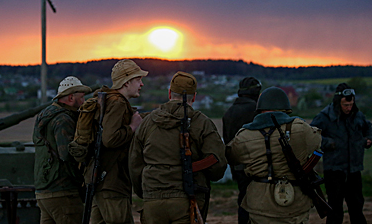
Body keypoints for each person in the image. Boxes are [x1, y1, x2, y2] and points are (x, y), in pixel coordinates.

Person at [129, 71, 227, 224]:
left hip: (153, 200)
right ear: (194, 97)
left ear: (169, 93)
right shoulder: (202, 123)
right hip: (187, 200)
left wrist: (144, 192)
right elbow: (217, 166)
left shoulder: (148, 122)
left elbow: (135, 163)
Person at [226, 86, 322, 224]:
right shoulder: (301, 129)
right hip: (294, 202)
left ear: (259, 109)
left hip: (260, 204)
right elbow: (317, 142)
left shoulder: (244, 135)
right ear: (285, 109)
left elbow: (231, 157)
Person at [87, 59, 148, 224]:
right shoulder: (118, 103)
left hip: (102, 180)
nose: (141, 84)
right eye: (138, 80)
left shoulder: (108, 100)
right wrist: (133, 127)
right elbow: (110, 139)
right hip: (112, 182)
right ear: (127, 82)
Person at [33, 76, 92, 224]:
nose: (83, 101)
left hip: (44, 191)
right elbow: (68, 156)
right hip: (63, 192)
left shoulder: (45, 115)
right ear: (71, 98)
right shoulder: (63, 120)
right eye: (82, 97)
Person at [310, 83, 372, 224]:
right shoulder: (324, 117)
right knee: (335, 211)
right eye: (345, 105)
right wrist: (327, 143)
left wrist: (369, 139)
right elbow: (311, 134)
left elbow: (369, 128)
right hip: (334, 170)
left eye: (351, 104)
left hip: (354, 170)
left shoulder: (357, 115)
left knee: (357, 209)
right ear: (338, 102)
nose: (349, 108)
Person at [222, 77, 262, 224]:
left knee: (243, 201)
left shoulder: (229, 112)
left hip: (237, 166)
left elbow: (227, 141)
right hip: (256, 166)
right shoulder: (257, 111)